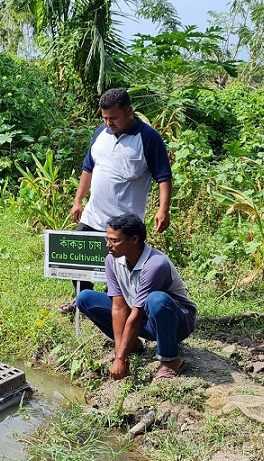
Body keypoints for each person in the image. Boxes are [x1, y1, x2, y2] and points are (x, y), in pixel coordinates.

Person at [59, 87, 173, 315]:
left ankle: (130, 306)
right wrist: (78, 200)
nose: (109, 122)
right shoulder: (100, 133)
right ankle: (81, 299)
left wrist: (163, 210)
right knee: (75, 259)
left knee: (127, 267)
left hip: (125, 222)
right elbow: (87, 168)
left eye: (114, 117)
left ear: (129, 111)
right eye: (105, 117)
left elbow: (163, 176)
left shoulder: (148, 138)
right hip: (94, 214)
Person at [75, 213, 195, 382]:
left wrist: (119, 360)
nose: (108, 245)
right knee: (85, 298)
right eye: (107, 239)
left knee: (156, 300)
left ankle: (172, 361)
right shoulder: (112, 260)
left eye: (115, 240)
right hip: (142, 317)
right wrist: (120, 354)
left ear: (134, 240)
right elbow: (119, 307)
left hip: (175, 322)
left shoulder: (155, 264)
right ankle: (133, 345)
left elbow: (137, 313)